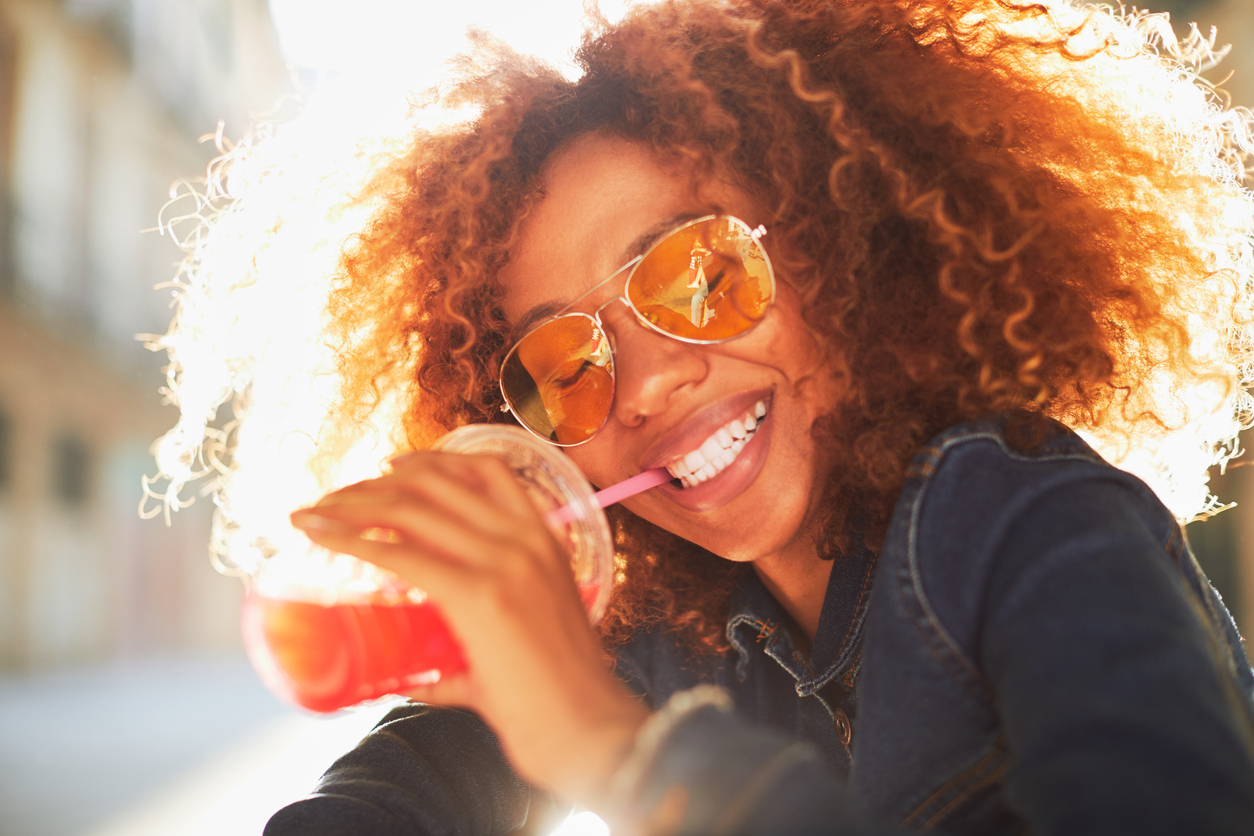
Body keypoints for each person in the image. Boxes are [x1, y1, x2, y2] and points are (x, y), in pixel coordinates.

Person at [254, 0, 1254, 833]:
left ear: (837, 244)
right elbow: (422, 777)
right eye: (563, 365)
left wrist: (611, 744)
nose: (644, 385)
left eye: (695, 274)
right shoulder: (680, 640)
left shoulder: (1028, 515)